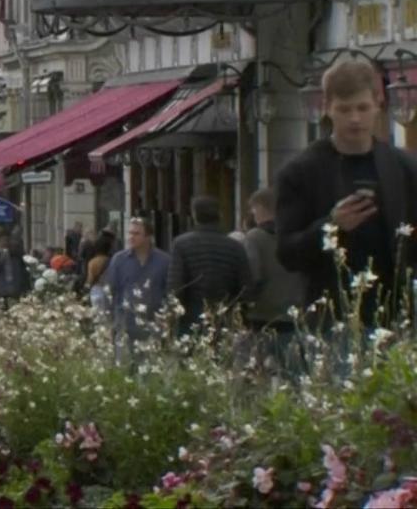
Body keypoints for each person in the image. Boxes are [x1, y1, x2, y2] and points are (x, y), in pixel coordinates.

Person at [275, 57, 417, 328]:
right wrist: (331, 226)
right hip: (330, 319)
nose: (355, 119)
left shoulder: (405, 168)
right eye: (345, 109)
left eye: (363, 108)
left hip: (396, 317)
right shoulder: (300, 171)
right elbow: (287, 254)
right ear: (327, 108)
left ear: (378, 103)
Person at [241, 187, 307, 372]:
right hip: (294, 313)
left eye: (253, 210)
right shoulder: (294, 235)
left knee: (259, 371)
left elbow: (253, 275)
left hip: (264, 315)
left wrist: (246, 304)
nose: (253, 215)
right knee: (295, 374)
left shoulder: (254, 237)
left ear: (261, 208)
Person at [166, 194, 252, 334]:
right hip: (225, 318)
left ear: (195, 215)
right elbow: (246, 287)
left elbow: (175, 286)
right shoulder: (235, 247)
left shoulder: (181, 244)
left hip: (191, 319)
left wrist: (171, 319)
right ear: (219, 215)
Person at [103, 217, 171, 351]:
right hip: (124, 324)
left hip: (153, 324)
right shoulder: (119, 260)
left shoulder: (164, 261)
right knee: (123, 367)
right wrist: (108, 322)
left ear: (148, 237)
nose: (131, 237)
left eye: (136, 233)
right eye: (130, 233)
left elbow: (168, 292)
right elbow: (110, 290)